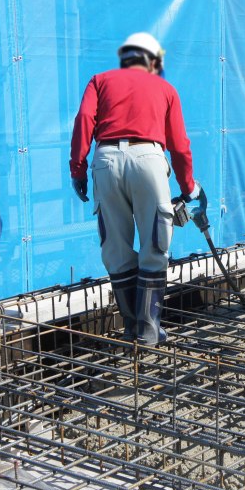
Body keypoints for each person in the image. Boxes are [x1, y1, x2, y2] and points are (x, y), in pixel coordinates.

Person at [69, 32, 200, 345]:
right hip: (148, 158)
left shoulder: (99, 80)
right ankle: (149, 330)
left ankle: (131, 328)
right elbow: (180, 145)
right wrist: (188, 186)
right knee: (155, 246)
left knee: (116, 249)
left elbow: (85, 118)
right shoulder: (165, 88)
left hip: (105, 160)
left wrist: (78, 169)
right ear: (153, 61)